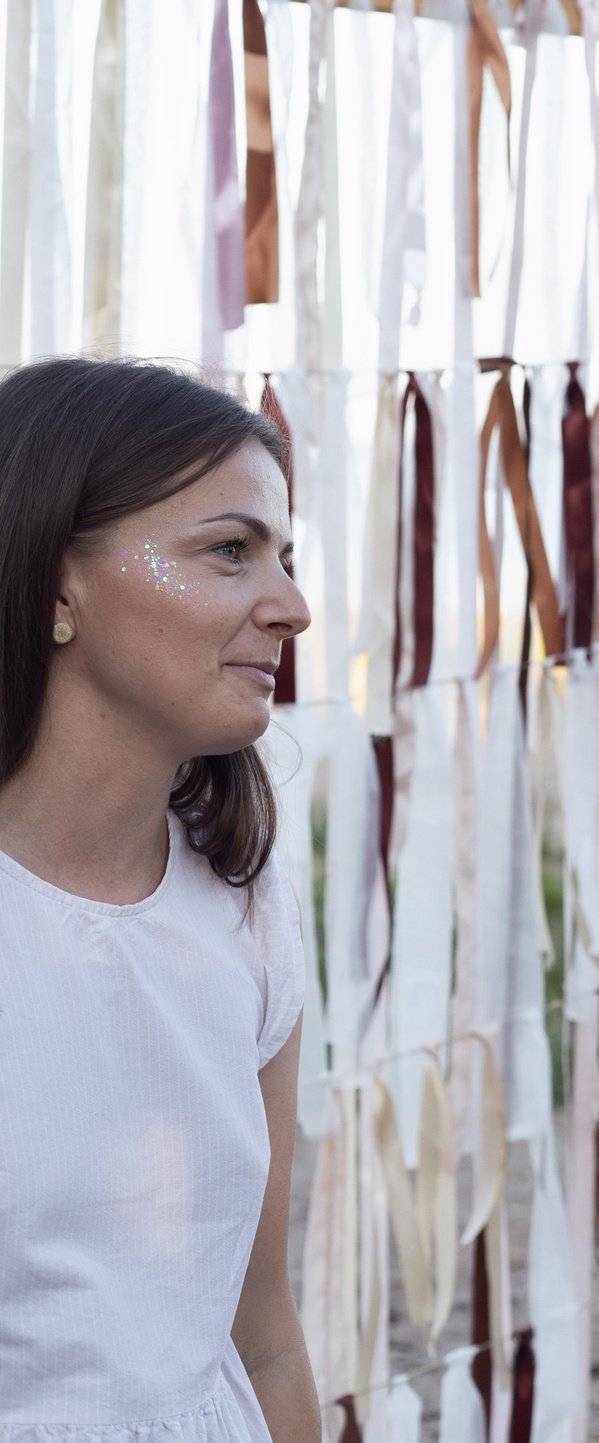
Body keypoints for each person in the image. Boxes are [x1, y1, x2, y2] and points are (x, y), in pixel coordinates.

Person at [0, 360, 320, 1442]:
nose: (292, 607)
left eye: (284, 557)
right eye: (229, 551)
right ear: (56, 581)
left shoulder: (244, 891)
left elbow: (261, 1329)